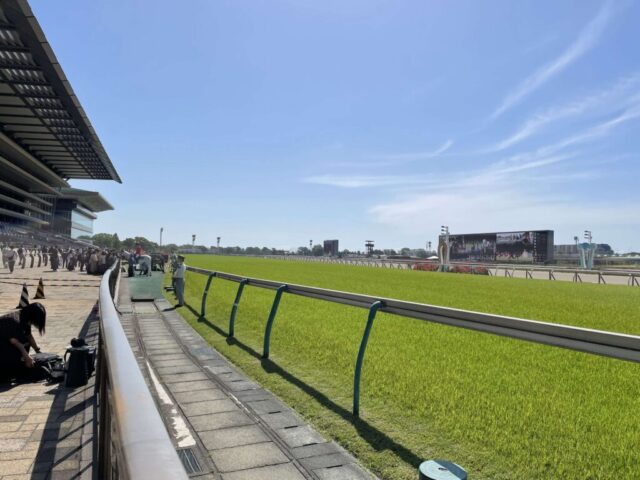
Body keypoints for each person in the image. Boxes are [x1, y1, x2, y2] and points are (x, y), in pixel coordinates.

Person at [0, 303, 46, 382]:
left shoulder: (25, 317)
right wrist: (27, 357)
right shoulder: (14, 321)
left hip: (8, 344)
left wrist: (37, 350)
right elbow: (15, 342)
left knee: (24, 342)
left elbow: (29, 335)